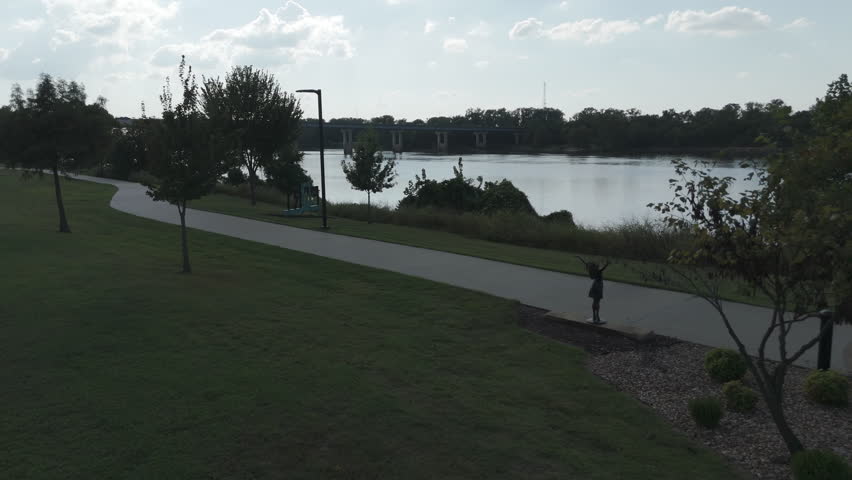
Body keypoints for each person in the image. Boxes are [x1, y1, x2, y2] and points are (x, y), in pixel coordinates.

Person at [576, 257, 609, 324]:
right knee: (597, 302)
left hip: (594, 285)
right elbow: (603, 268)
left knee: (594, 301)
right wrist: (607, 264)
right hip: (599, 286)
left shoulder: (593, 271)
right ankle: (597, 316)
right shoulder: (598, 271)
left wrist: (580, 259)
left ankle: (594, 315)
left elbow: (585, 263)